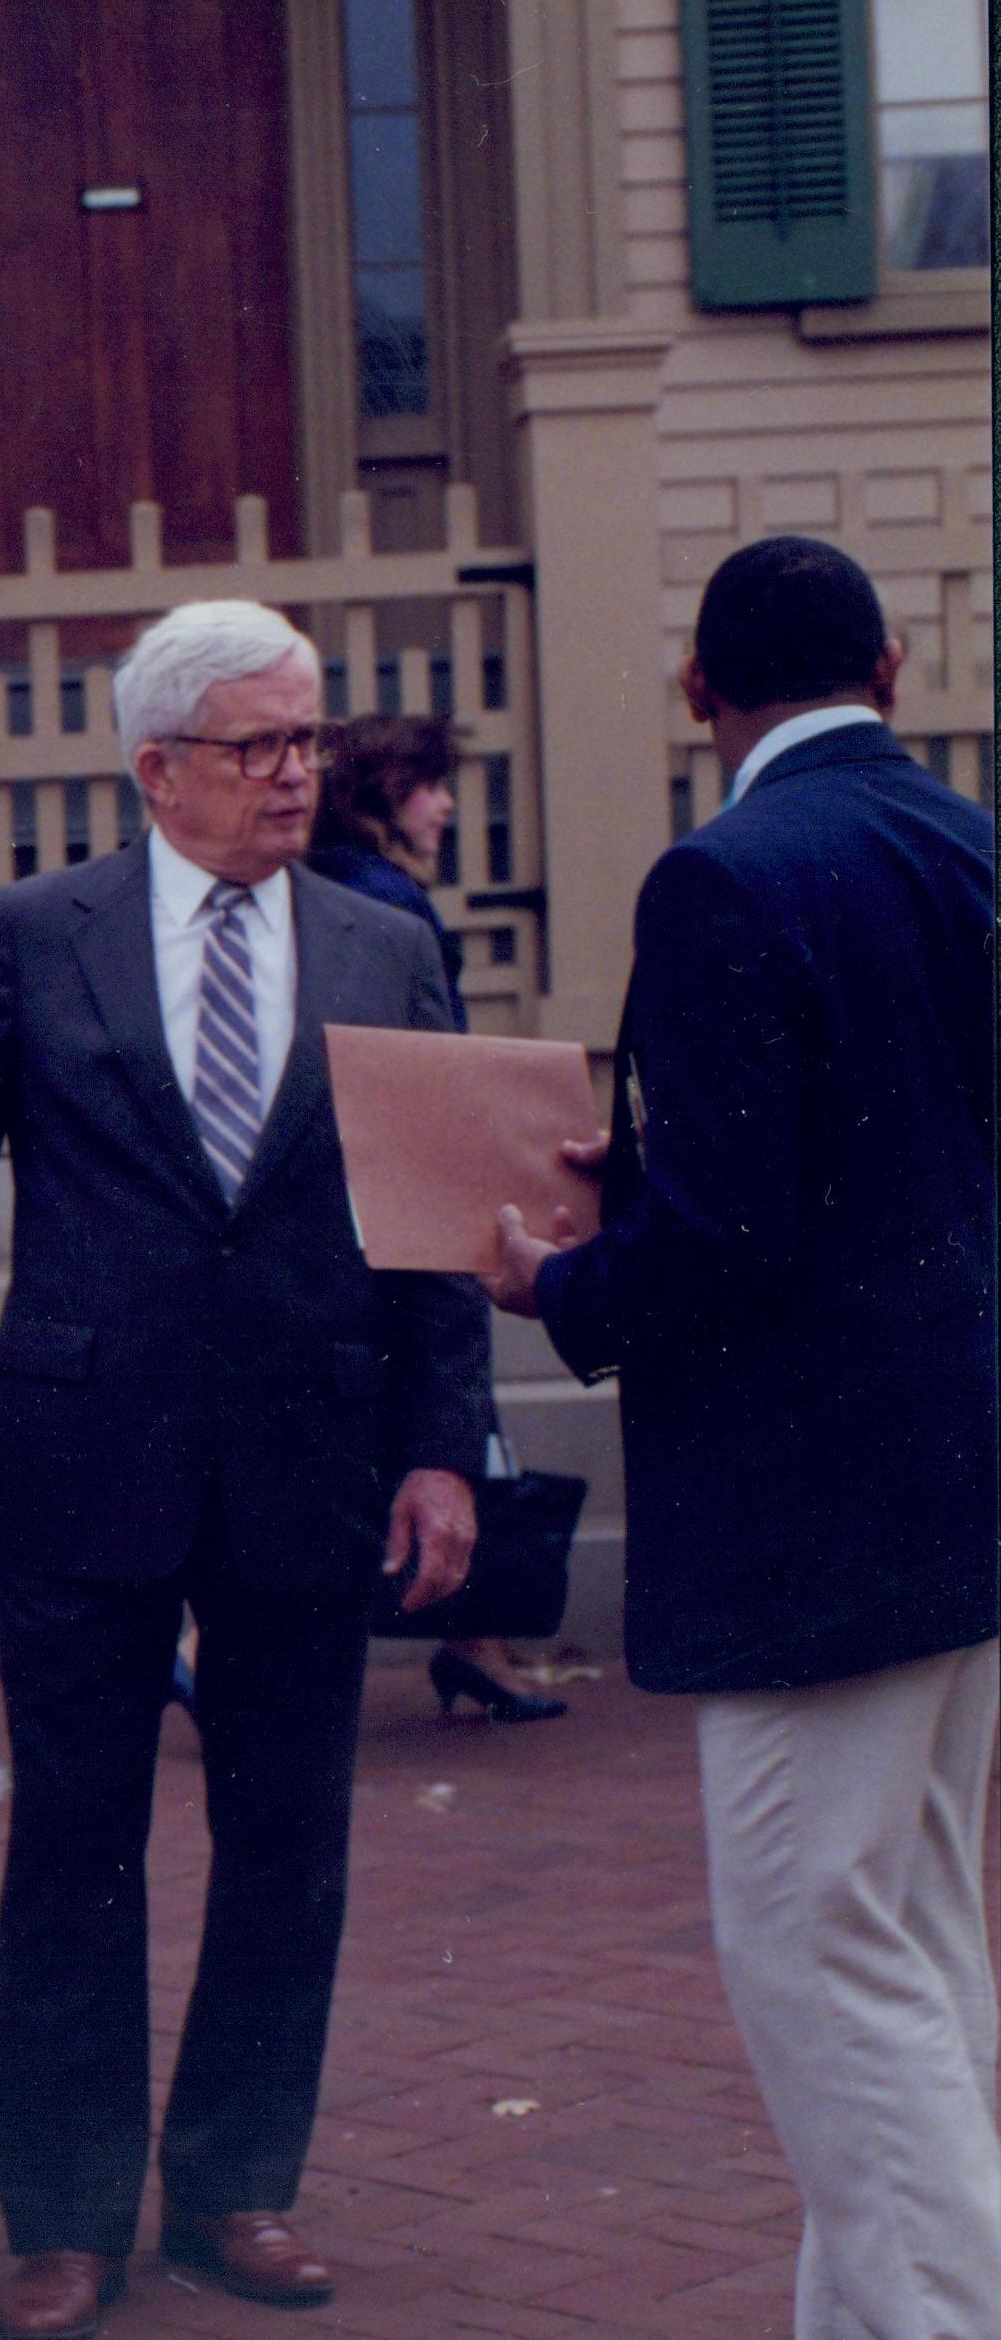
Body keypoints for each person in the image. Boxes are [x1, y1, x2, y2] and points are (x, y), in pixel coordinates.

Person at [0, 601, 488, 2340]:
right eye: (257, 746)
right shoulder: (38, 934)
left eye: (308, 738)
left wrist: (439, 1452)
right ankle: (70, 2217)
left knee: (287, 1839)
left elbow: (441, 1224)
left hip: (311, 1456)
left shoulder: (387, 948)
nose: (296, 773)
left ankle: (236, 2189)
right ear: (156, 767)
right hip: (92, 1456)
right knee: (76, 1845)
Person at [489, 535, 998, 2340]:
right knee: (919, 1925)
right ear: (895, 664)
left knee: (818, 1950)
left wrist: (555, 1284)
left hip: (814, 1513)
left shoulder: (720, 880)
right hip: (963, 1477)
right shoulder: (967, 842)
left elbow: (725, 1239)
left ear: (698, 695)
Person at [306, 717, 563, 1725]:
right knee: (443, 1409)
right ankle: (475, 1640)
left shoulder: (315, 889)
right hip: (393, 1199)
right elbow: (432, 1070)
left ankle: (477, 1642)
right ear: (378, 796)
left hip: (334, 1203)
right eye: (425, 787)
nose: (444, 805)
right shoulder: (386, 906)